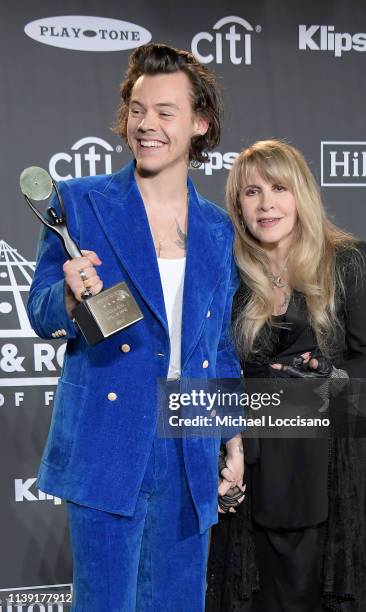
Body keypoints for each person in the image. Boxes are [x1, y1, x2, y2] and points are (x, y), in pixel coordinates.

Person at [27, 43, 245, 612]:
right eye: (137, 108)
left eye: (165, 112)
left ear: (200, 124)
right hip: (108, 440)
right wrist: (70, 297)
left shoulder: (218, 229)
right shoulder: (79, 202)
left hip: (187, 444)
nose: (146, 124)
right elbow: (41, 312)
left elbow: (216, 346)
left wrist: (233, 437)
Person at [206, 139, 366, 612]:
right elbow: (215, 365)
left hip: (341, 465)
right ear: (238, 205)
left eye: (279, 188)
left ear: (301, 195)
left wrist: (326, 381)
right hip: (256, 463)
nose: (266, 203)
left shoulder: (347, 259)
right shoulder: (229, 272)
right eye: (251, 192)